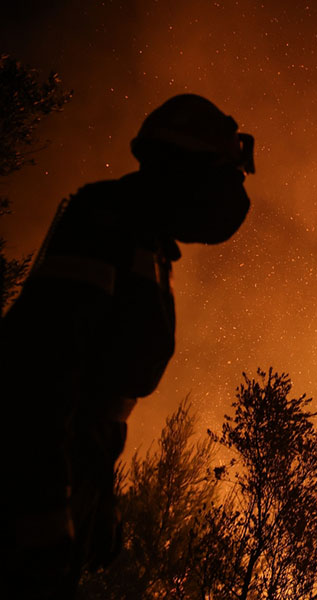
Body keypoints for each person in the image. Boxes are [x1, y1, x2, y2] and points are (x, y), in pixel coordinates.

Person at [0, 94, 255, 597]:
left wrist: (100, 496)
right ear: (185, 167)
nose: (231, 193)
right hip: (24, 489)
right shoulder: (104, 224)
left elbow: (101, 396)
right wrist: (44, 513)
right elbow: (40, 373)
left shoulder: (145, 241)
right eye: (224, 173)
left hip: (72, 468)